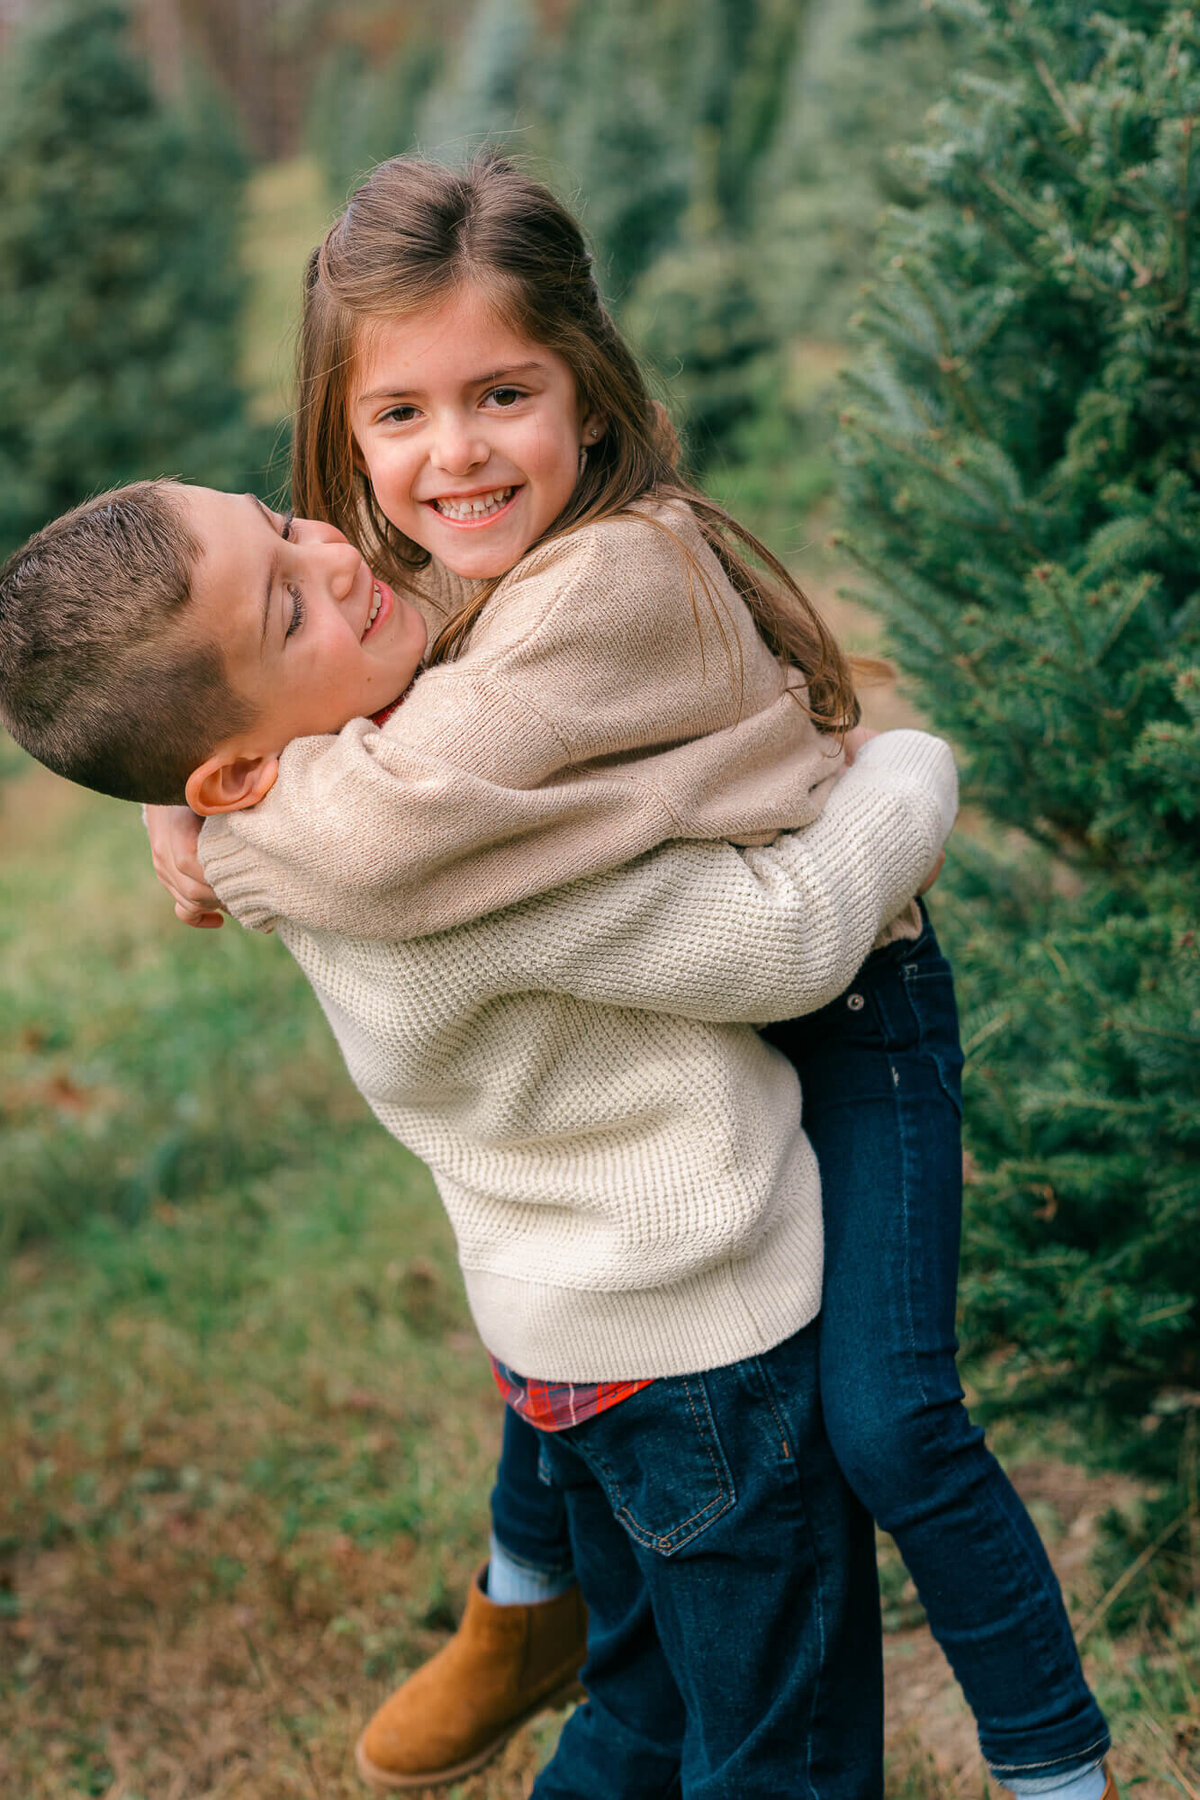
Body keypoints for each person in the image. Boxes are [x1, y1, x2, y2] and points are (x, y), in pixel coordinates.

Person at [137, 150, 1112, 1800]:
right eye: (400, 416)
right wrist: (188, 759)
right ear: (345, 432)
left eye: (503, 391)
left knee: (887, 1426)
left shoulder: (607, 577)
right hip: (686, 1016)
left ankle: (1055, 1768)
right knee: (584, 1226)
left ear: (588, 395)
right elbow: (307, 721)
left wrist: (214, 818)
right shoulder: (430, 583)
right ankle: (524, 1596)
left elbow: (384, 825)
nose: (453, 453)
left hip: (844, 995)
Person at [1, 473, 959, 1797]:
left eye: (280, 523)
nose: (334, 558)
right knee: (773, 1752)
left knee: (638, 1711)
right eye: (286, 610)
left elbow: (401, 684)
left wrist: (181, 803)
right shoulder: (430, 870)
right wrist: (908, 771)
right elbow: (781, 939)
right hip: (710, 1353)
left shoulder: (295, 813)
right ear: (234, 762)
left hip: (569, 1351)